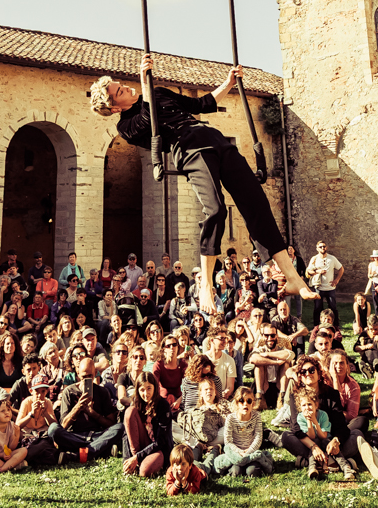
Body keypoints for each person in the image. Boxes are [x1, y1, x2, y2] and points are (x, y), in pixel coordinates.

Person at [91, 57, 317, 318]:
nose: (126, 88)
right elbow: (147, 121)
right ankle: (206, 285)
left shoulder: (158, 93)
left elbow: (201, 104)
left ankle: (293, 277)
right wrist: (144, 83)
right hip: (188, 148)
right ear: (115, 107)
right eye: (120, 91)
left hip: (212, 138)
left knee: (256, 202)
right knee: (216, 210)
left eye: (121, 85)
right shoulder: (126, 126)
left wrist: (228, 84)